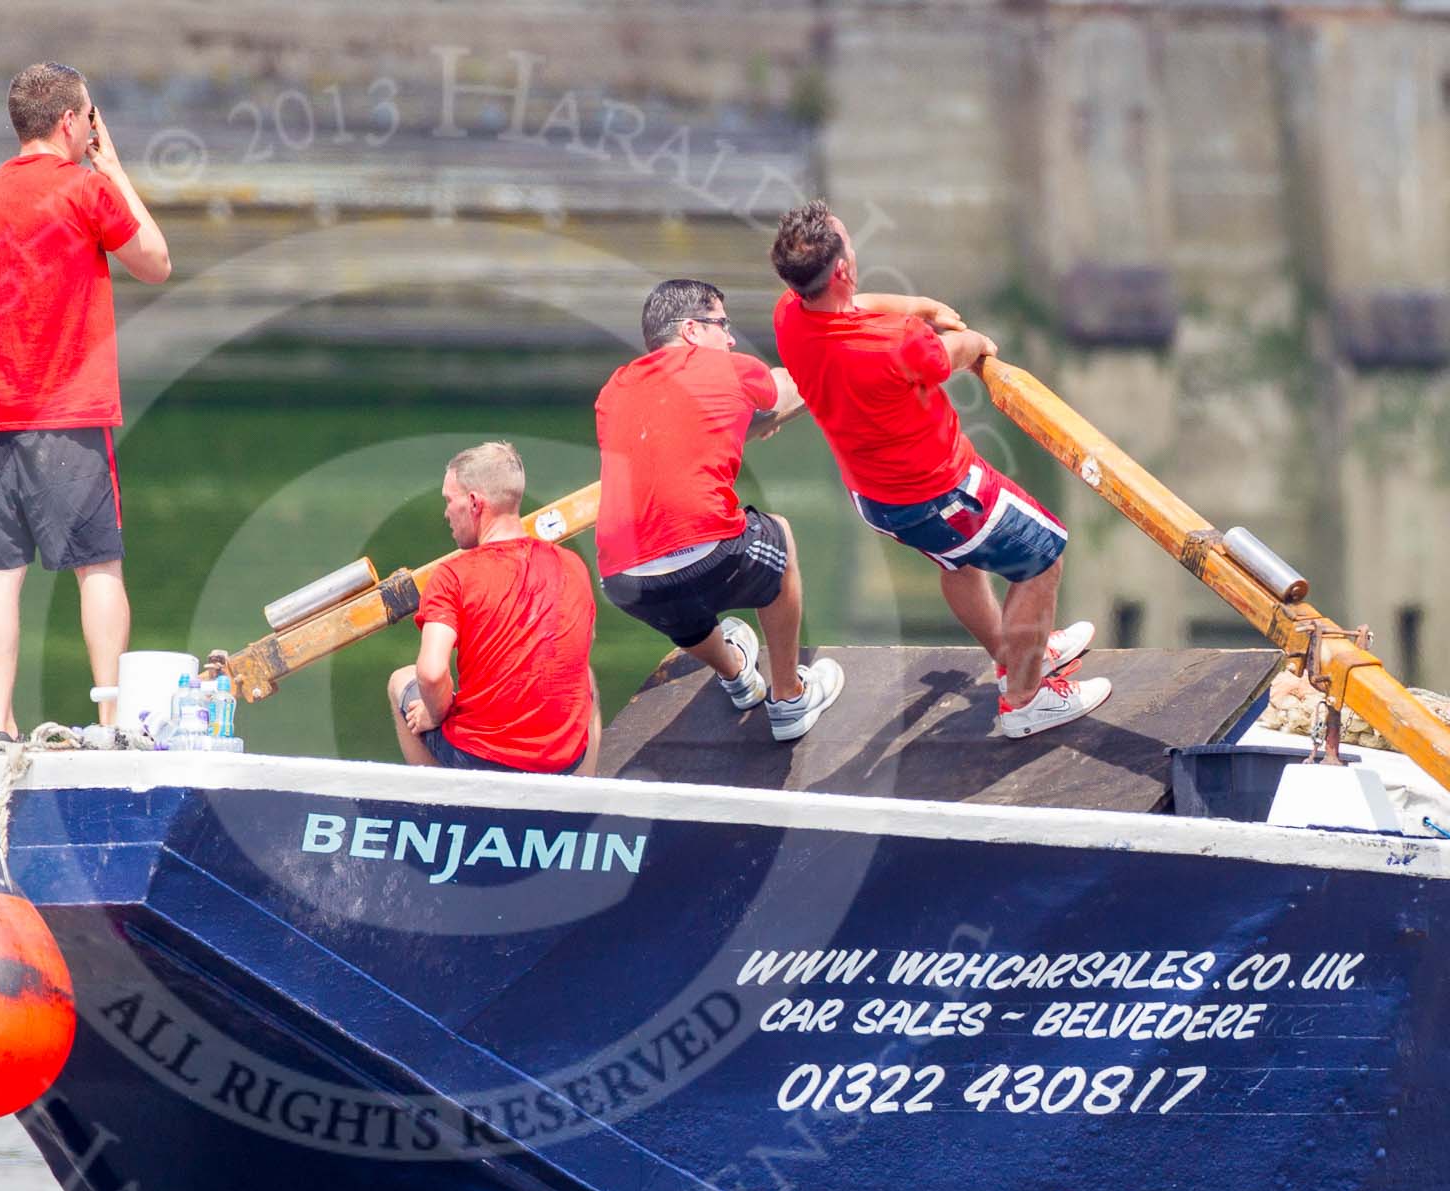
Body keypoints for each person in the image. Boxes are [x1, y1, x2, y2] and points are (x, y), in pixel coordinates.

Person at [769, 199, 1108, 739]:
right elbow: (950, 355)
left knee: (959, 566)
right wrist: (977, 342)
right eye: (848, 243)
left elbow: (855, 306)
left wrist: (918, 304)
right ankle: (1025, 698)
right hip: (945, 492)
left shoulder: (790, 314)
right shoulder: (896, 344)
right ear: (843, 270)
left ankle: (1017, 651)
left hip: (876, 499)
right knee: (1043, 559)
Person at [0, 62, 173, 749]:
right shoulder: (86, 190)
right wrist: (116, 166)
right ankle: (107, 720)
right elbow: (155, 261)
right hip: (72, 418)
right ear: (72, 121)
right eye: (90, 116)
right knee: (97, 564)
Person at [592, 278, 843, 741]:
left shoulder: (615, 388)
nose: (729, 338)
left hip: (621, 581)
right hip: (708, 556)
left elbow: (668, 431)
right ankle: (788, 698)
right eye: (720, 325)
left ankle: (737, 676)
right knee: (779, 536)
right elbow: (789, 388)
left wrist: (738, 415)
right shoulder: (726, 367)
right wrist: (763, 405)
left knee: (677, 603)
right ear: (691, 330)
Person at [388, 442, 601, 775]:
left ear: (474, 503)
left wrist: (436, 712)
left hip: (481, 758)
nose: (446, 513)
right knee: (586, 677)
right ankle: (579, 801)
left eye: (449, 500)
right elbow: (576, 649)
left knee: (401, 680)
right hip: (562, 760)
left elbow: (431, 673)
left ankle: (440, 805)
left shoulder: (453, 575)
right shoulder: (572, 564)